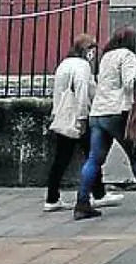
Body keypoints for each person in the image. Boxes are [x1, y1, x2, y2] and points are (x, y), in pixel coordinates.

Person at [74, 26, 136, 220]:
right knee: (135, 155)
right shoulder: (126, 55)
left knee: (94, 159)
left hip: (98, 113)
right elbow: (131, 83)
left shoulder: (106, 56)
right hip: (116, 113)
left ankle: (82, 202)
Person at [44, 33, 124, 212]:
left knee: (61, 159)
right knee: (93, 156)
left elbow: (59, 93)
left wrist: (56, 112)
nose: (94, 54)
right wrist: (82, 117)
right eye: (93, 49)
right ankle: (98, 194)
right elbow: (81, 91)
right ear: (87, 50)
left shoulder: (64, 65)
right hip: (79, 118)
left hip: (63, 117)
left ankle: (52, 197)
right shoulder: (82, 67)